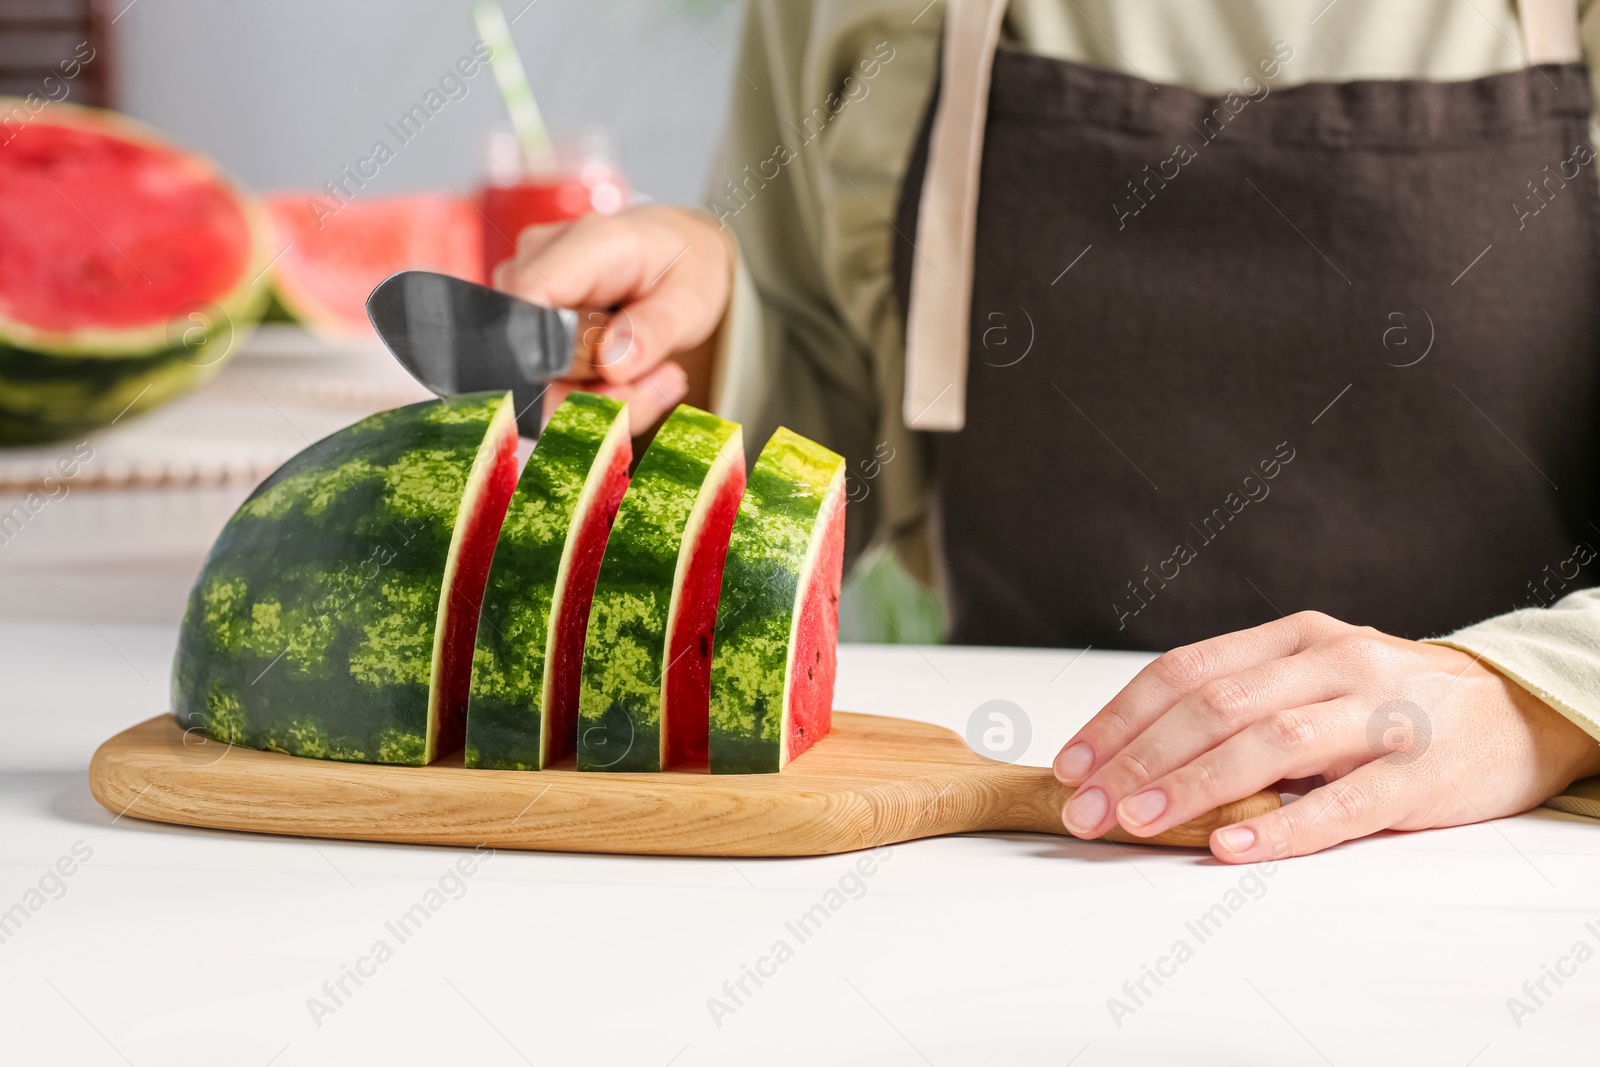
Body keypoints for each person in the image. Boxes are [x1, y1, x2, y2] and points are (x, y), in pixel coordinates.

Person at [495, 0, 1600, 860]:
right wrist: (704, 357)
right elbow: (833, 408)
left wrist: (1524, 695)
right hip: (1024, 824)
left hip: (1502, 850)